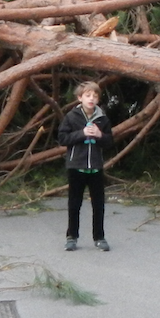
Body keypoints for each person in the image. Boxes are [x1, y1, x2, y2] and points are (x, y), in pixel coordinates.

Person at [57, 81, 114, 251]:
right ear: (79, 98)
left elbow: (109, 142)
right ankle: (71, 237)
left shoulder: (102, 118)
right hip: (76, 166)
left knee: (99, 204)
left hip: (96, 167)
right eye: (88, 95)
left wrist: (99, 135)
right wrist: (81, 134)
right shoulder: (71, 117)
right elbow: (62, 138)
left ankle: (99, 237)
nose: (91, 99)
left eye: (95, 96)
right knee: (74, 204)